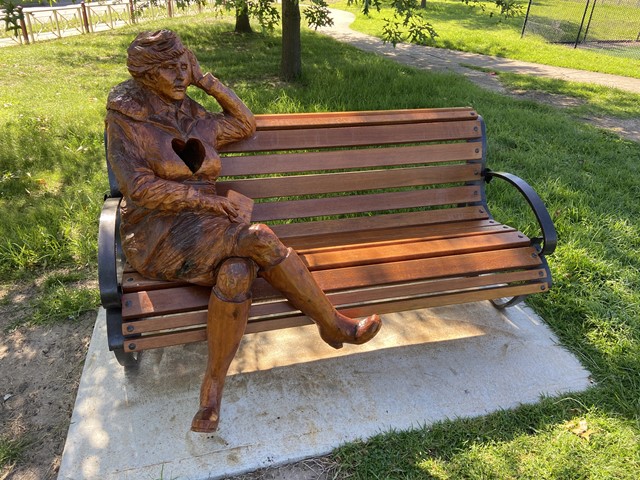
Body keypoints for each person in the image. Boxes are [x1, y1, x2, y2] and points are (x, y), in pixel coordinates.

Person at [105, 30, 381, 433]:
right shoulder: (128, 119)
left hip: (207, 229)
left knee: (235, 274)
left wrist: (209, 81)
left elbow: (244, 123)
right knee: (260, 236)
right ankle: (332, 324)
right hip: (156, 234)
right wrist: (210, 202)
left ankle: (211, 391)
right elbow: (140, 188)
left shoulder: (193, 114)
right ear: (146, 76)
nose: (180, 76)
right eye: (168, 69)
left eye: (185, 66)